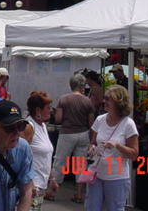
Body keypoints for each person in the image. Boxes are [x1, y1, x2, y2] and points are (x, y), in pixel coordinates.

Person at [86, 85, 139, 211]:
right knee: (91, 208)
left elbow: (134, 154)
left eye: (108, 99)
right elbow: (92, 142)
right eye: (105, 98)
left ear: (119, 102)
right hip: (95, 173)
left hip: (117, 177)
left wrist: (118, 145)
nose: (104, 101)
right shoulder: (100, 120)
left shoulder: (128, 124)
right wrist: (92, 148)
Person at [50, 74, 95, 204]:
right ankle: (79, 194)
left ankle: (52, 192)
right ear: (82, 86)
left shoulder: (63, 99)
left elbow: (58, 119)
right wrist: (92, 140)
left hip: (67, 133)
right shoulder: (88, 101)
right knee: (81, 165)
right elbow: (91, 123)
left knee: (59, 162)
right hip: (83, 134)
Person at [25, 91, 57, 210]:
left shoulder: (42, 125)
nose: (51, 110)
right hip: (31, 185)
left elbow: (47, 155)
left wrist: (52, 179)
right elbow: (20, 157)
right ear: (38, 110)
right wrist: (30, 182)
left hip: (41, 184)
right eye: (48, 108)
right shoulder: (28, 127)